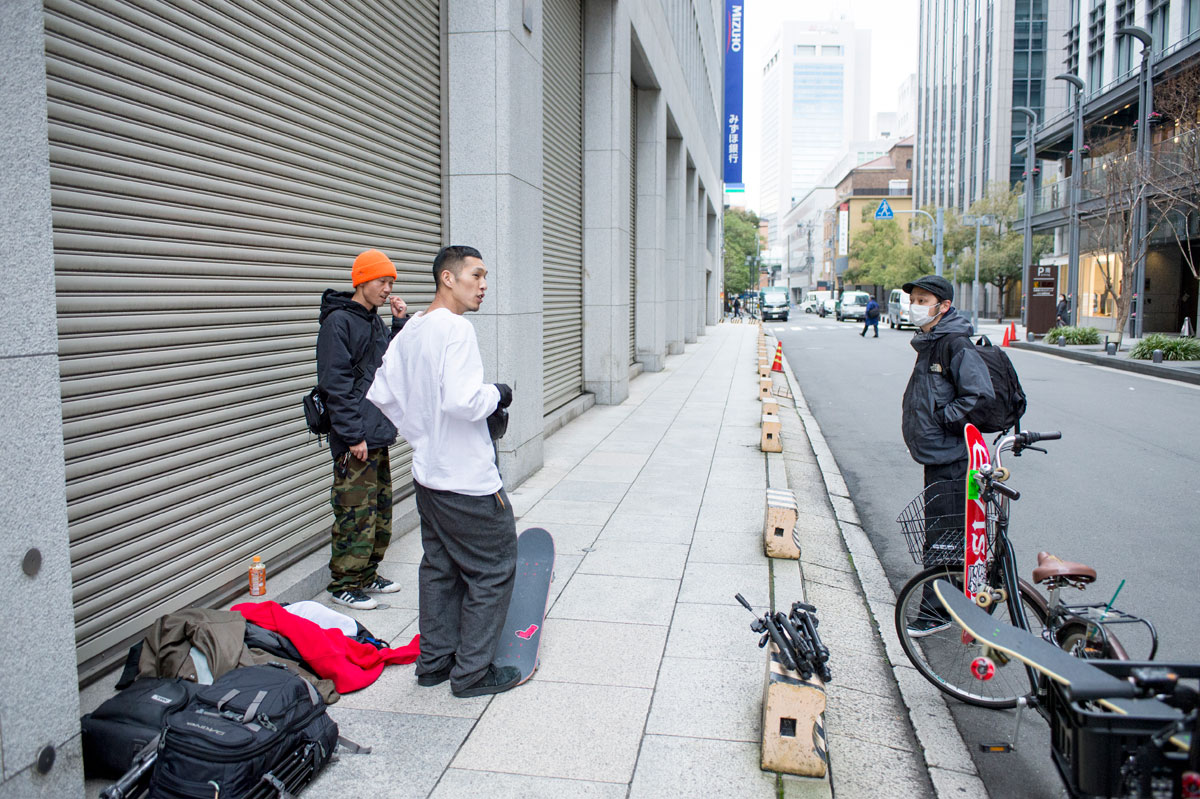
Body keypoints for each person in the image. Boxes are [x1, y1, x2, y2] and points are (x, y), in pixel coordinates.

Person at [366, 245, 520, 699]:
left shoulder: (413, 329)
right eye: (476, 275)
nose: (484, 285)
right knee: (493, 568)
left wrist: (422, 433)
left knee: (440, 568)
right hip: (467, 479)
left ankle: (434, 664)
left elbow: (383, 393)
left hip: (428, 475)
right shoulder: (456, 329)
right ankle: (471, 673)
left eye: (486, 277)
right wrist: (497, 392)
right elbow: (463, 400)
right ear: (448, 278)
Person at [899, 275, 995, 632]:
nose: (915, 306)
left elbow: (979, 396)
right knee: (945, 534)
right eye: (914, 299)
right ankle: (960, 600)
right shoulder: (932, 341)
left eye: (923, 300)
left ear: (944, 306)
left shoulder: (954, 344)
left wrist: (942, 420)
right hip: (938, 455)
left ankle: (937, 614)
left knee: (944, 539)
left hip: (953, 458)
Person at [316, 249, 409, 610]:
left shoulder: (373, 320)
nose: (388, 289)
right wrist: (353, 435)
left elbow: (391, 364)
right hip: (355, 436)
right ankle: (343, 583)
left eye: (391, 283)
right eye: (382, 281)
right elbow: (335, 384)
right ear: (362, 281)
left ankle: (367, 574)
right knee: (354, 512)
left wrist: (397, 323)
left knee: (379, 510)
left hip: (376, 432)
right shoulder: (338, 323)